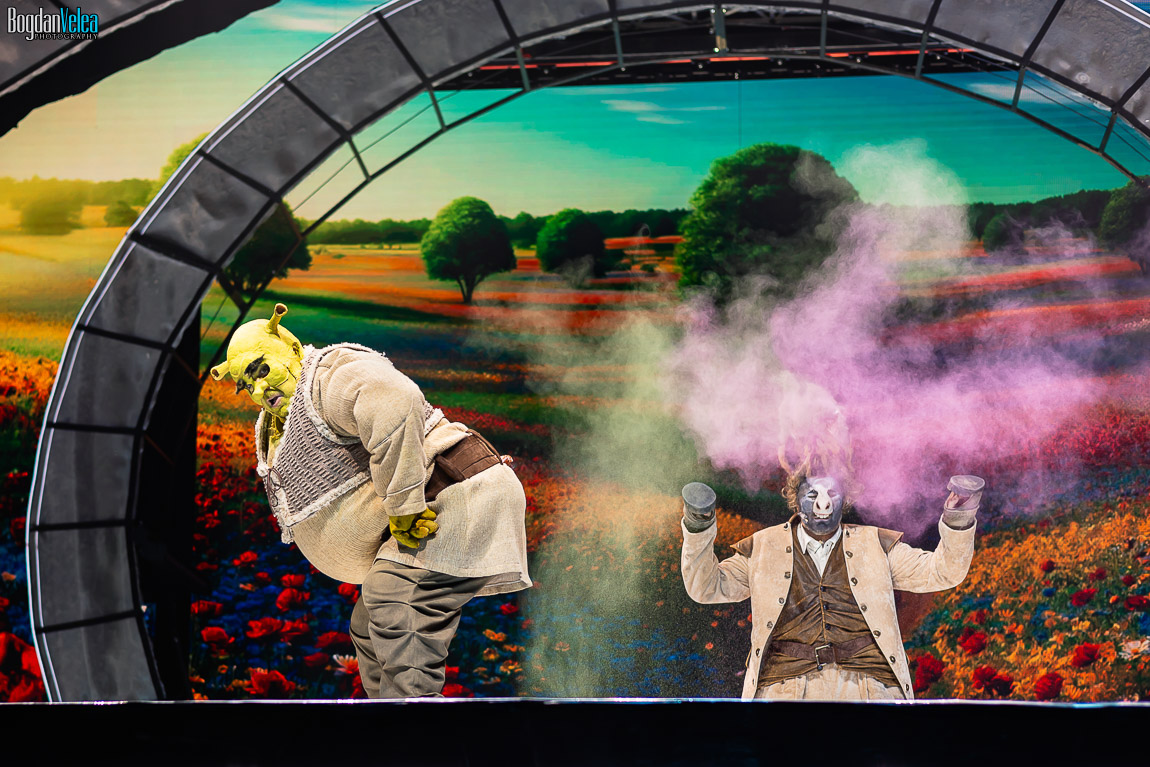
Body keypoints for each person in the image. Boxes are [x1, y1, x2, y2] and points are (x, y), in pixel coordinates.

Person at [209, 303, 531, 698]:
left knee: (397, 603)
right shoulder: (287, 412)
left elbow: (394, 398)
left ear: (291, 348)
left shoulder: (329, 374)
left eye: (261, 370)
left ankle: (416, 729)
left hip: (454, 492)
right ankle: (384, 724)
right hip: (437, 500)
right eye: (246, 385)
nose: (259, 390)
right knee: (368, 628)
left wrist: (404, 507)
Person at [679, 452, 980, 701]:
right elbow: (706, 587)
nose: (822, 504)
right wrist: (699, 524)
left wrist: (959, 517)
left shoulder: (875, 545)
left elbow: (942, 572)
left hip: (868, 691)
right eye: (812, 494)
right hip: (783, 692)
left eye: (832, 494)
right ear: (795, 499)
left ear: (844, 500)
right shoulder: (763, 547)